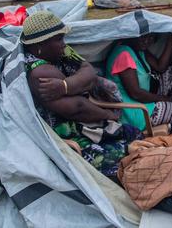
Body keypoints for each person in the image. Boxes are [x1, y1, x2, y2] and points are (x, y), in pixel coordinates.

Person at [23, 11, 142, 177]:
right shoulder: (40, 73)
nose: (64, 44)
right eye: (59, 39)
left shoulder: (61, 52)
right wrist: (108, 115)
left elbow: (89, 72)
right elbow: (76, 108)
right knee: (129, 150)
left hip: (84, 119)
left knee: (134, 138)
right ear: (39, 46)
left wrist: (65, 85)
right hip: (67, 135)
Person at [105, 33, 172, 133]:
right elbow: (136, 94)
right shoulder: (124, 54)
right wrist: (164, 99)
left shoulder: (138, 50)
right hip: (133, 112)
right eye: (143, 36)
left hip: (142, 104)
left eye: (151, 37)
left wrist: (170, 41)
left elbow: (160, 67)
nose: (147, 40)